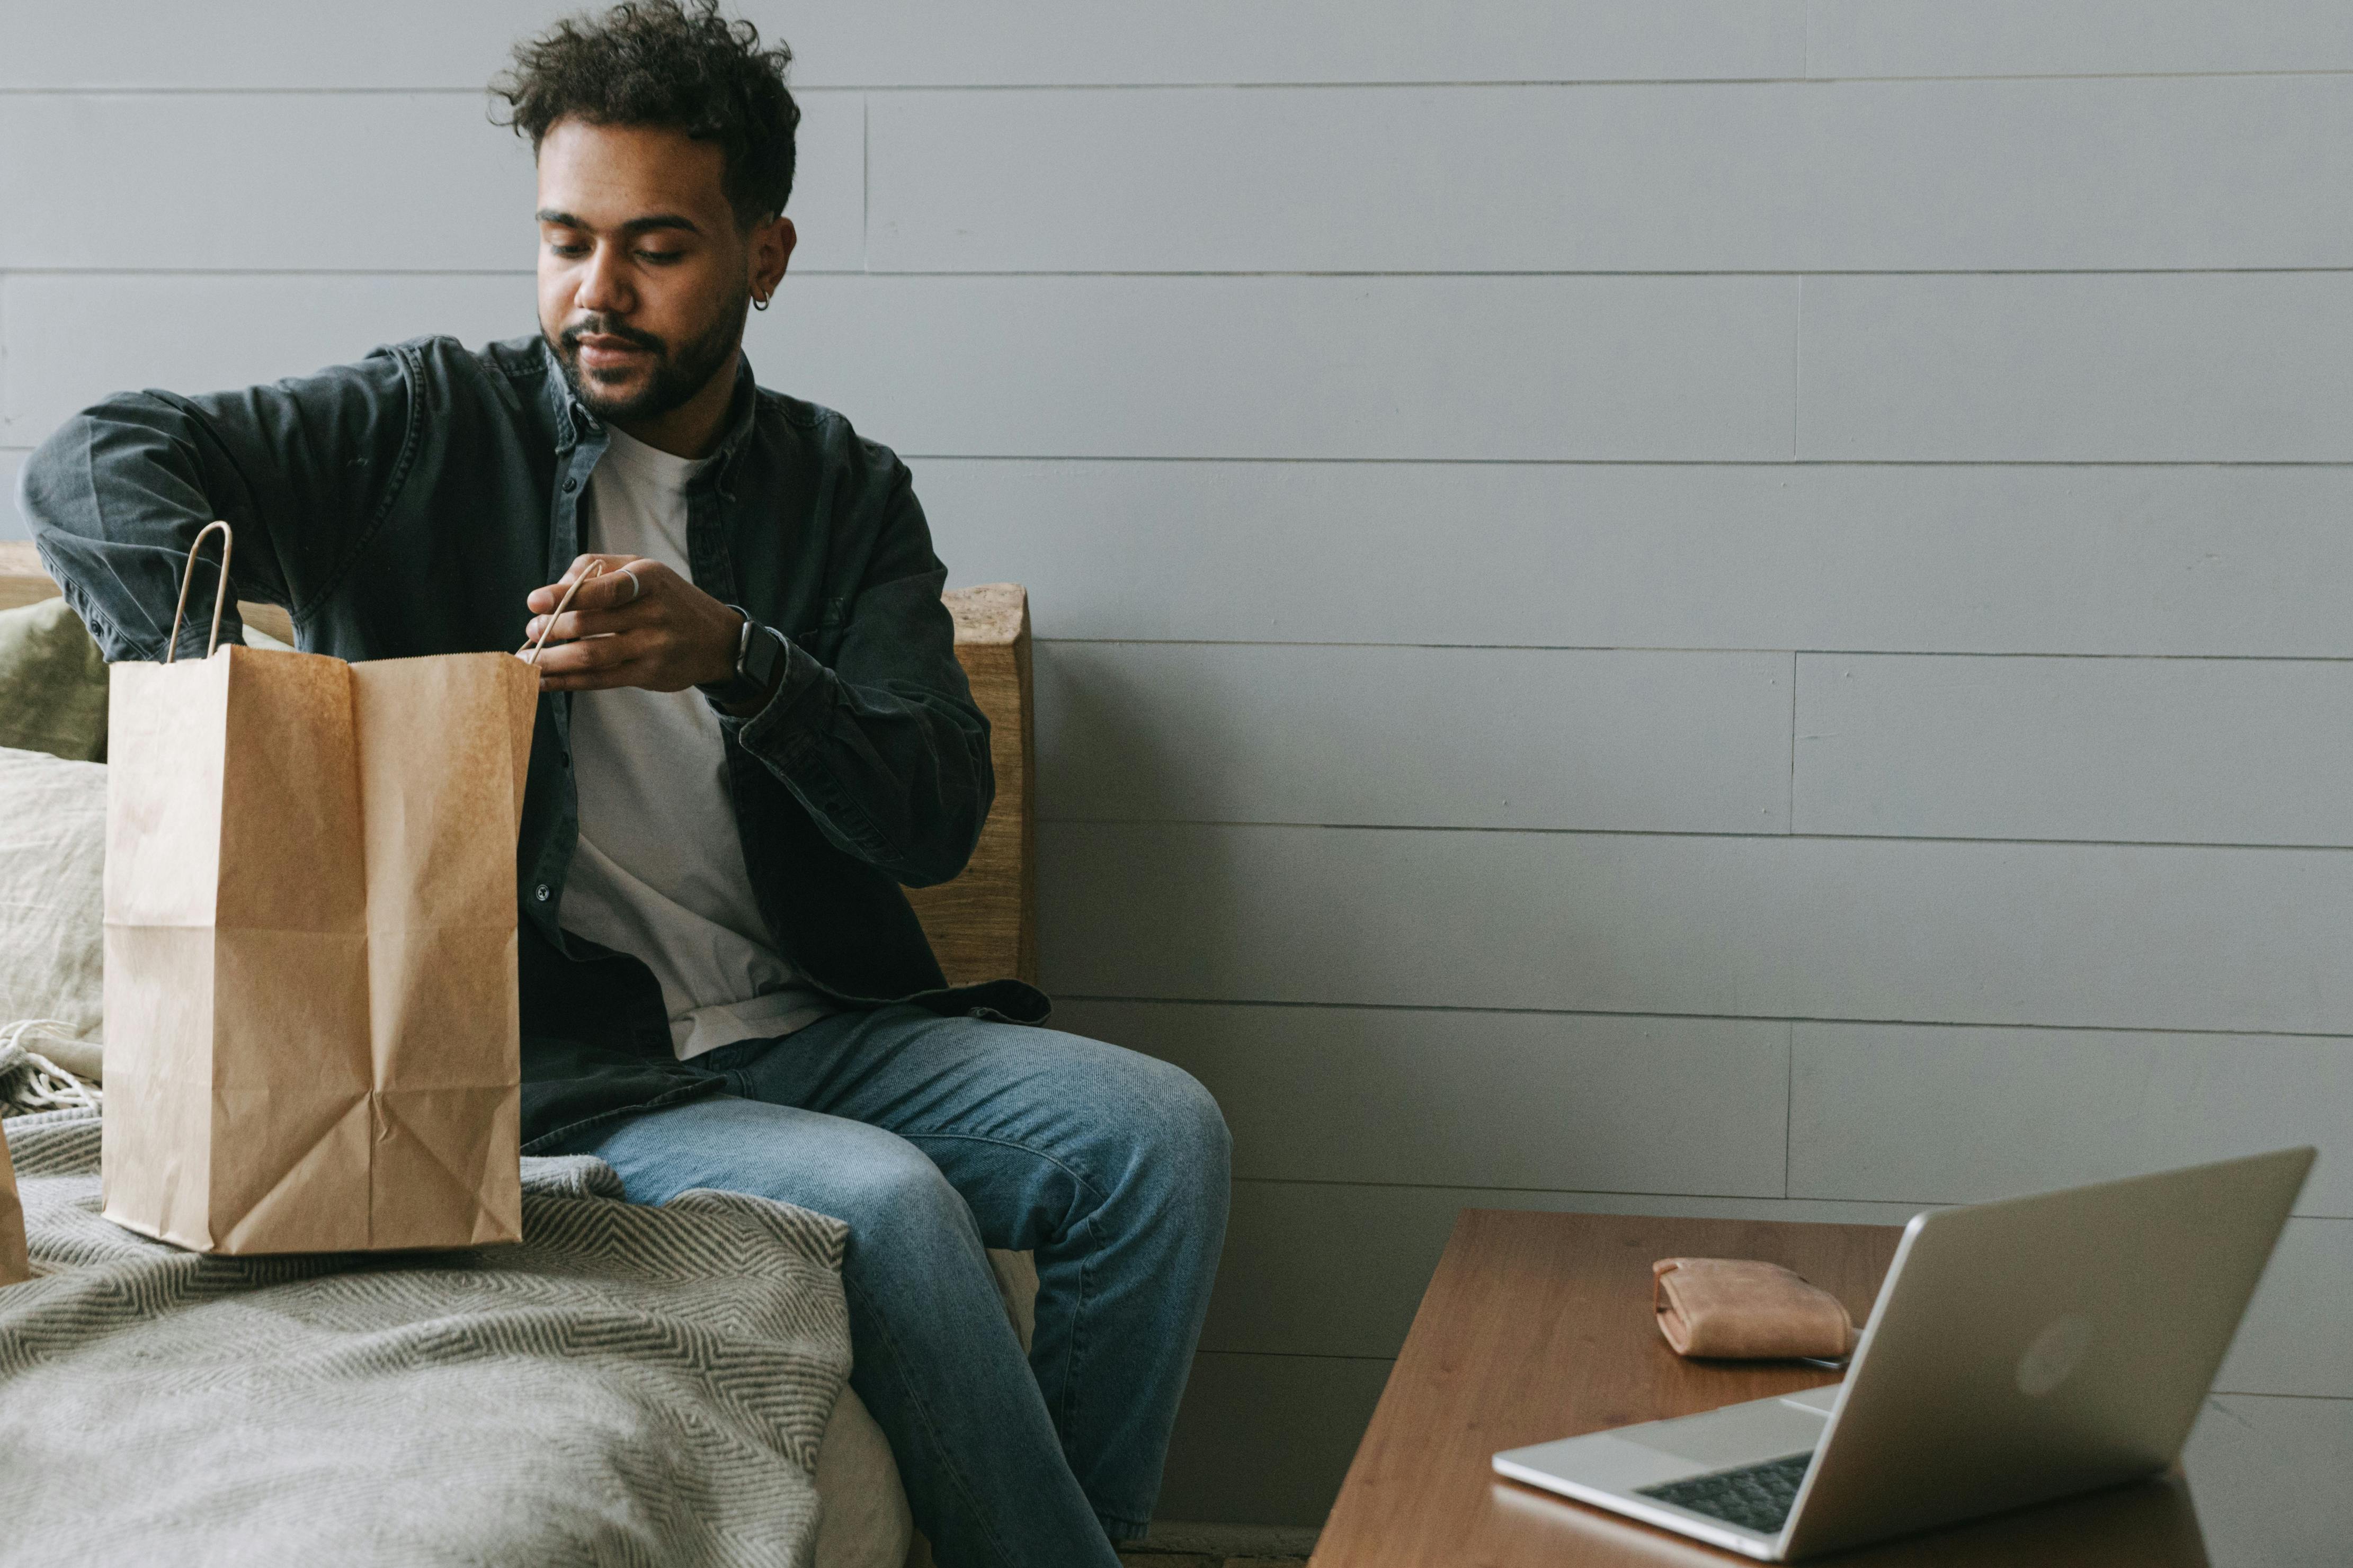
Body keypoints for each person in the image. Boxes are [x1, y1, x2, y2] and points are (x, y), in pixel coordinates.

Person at [17, 4, 1229, 1563]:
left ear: (763, 257)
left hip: (820, 1028)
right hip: (555, 1064)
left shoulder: (843, 492)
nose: (596, 293)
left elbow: (933, 818)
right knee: (893, 1204)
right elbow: (93, 459)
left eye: (655, 247)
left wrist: (740, 658)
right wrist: (226, 695)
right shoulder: (419, 427)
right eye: (566, 239)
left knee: (1155, 1133)